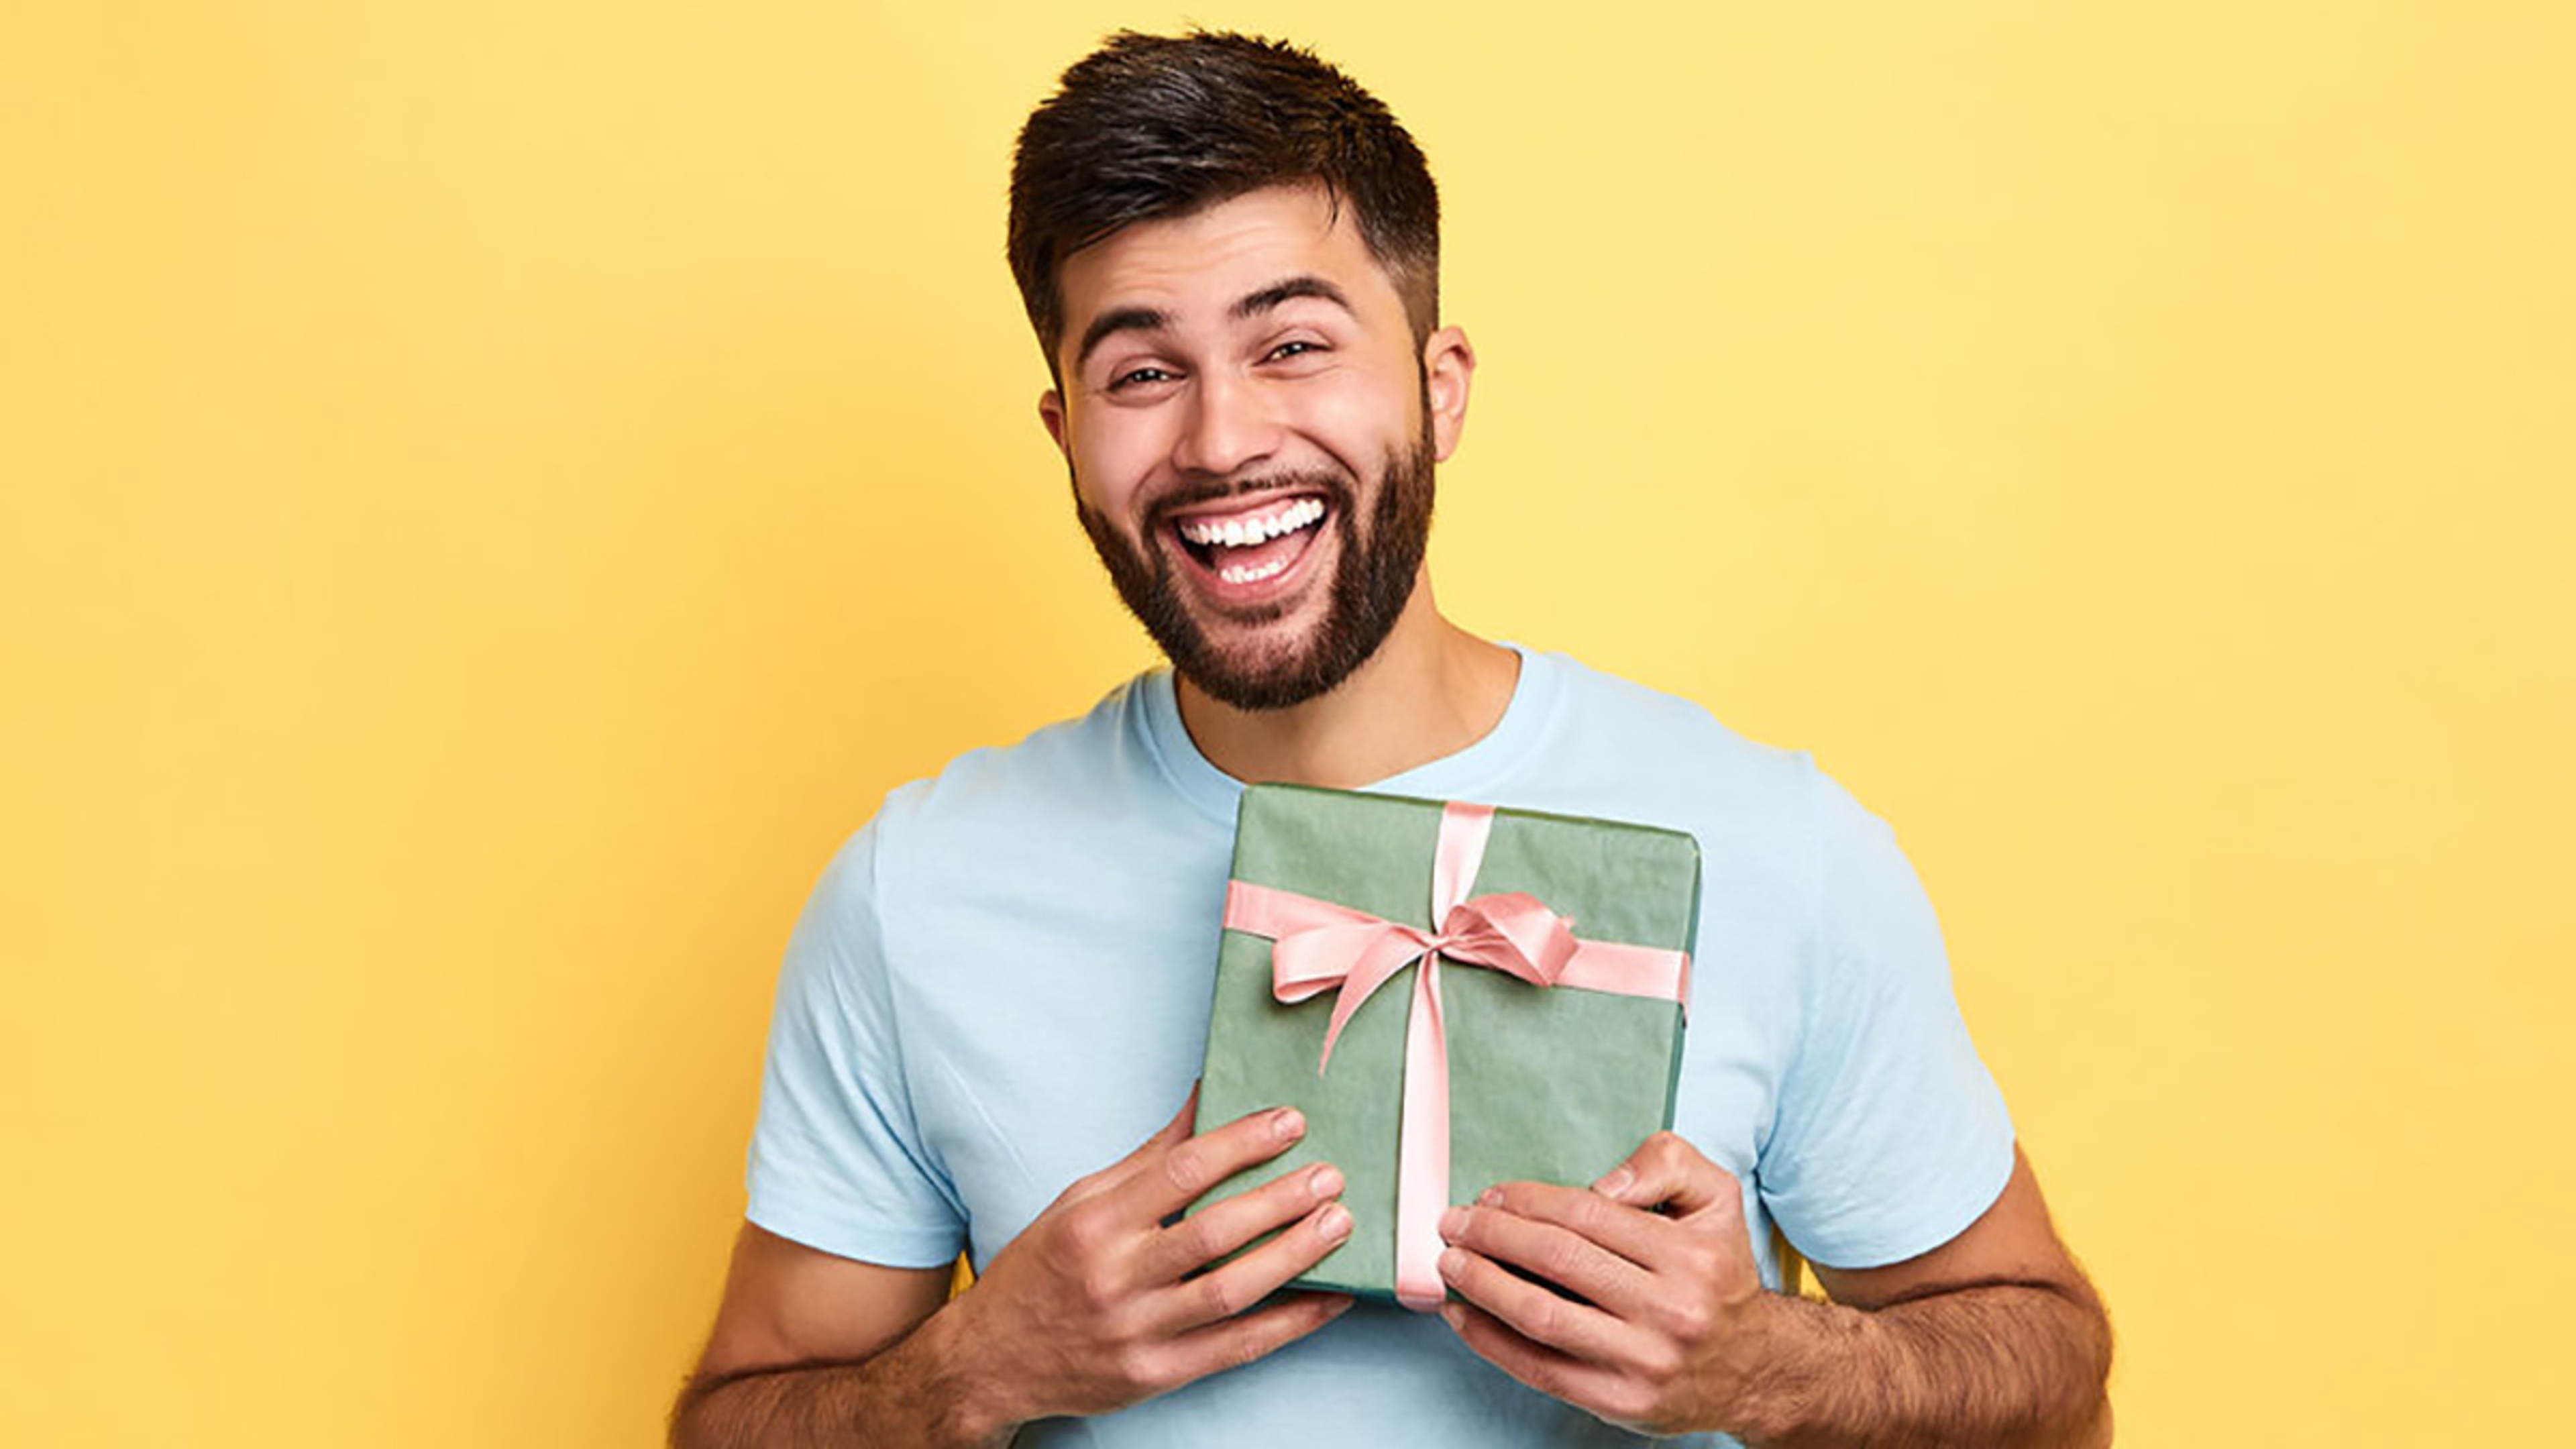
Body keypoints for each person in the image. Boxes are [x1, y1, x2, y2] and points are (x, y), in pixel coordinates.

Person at [672, 30, 2111, 1449]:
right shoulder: (916, 890)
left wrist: (1763, 1371)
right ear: (1064, 432)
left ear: (1441, 384)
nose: (1225, 438)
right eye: (1140, 373)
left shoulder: (1772, 848)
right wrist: (976, 1373)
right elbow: (733, 1424)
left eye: (1293, 344)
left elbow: (2059, 1395)